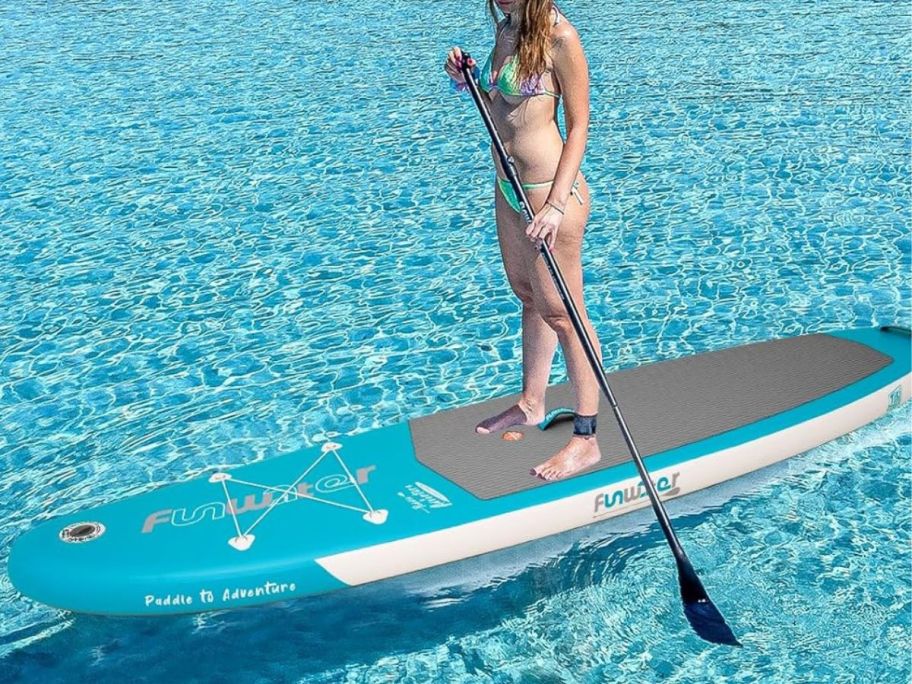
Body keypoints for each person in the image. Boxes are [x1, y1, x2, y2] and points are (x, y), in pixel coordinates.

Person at [445, 0, 603, 481]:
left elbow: (579, 126)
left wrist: (555, 205)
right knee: (529, 298)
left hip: (550, 195)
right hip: (509, 190)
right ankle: (532, 403)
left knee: (564, 313)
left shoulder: (561, 37)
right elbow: (502, 108)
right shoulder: (508, 27)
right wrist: (464, 79)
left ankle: (586, 438)